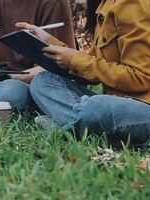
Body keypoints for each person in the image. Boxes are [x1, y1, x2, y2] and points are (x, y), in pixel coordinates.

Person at [20, 0, 150, 146]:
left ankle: (68, 125)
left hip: (143, 106)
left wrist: (75, 60)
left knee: (96, 107)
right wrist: (48, 42)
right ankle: (79, 124)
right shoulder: (105, 6)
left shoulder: (133, 4)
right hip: (116, 102)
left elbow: (141, 78)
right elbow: (95, 66)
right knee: (42, 81)